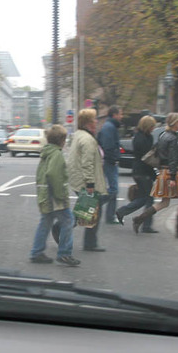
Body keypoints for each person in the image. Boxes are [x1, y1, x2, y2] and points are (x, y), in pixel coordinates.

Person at [131, 113, 178, 238]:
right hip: (170, 173)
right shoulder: (173, 138)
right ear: (175, 123)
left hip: (163, 172)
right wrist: (173, 177)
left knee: (165, 202)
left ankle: (139, 219)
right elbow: (173, 159)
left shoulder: (163, 135)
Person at [29, 125, 80, 266]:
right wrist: (61, 195)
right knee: (68, 221)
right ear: (61, 140)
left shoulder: (46, 152)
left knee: (45, 223)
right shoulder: (57, 154)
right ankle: (64, 254)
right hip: (55, 198)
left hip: (45, 195)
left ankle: (36, 252)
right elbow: (53, 174)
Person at [67, 108, 108, 252]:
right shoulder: (88, 139)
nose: (96, 122)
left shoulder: (79, 135)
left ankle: (63, 228)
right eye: (94, 119)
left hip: (78, 178)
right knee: (93, 210)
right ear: (88, 123)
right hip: (86, 180)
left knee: (87, 209)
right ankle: (89, 243)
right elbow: (87, 163)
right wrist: (90, 183)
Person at [115, 115, 158, 233]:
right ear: (148, 126)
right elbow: (147, 158)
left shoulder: (138, 136)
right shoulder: (145, 138)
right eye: (152, 126)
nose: (154, 128)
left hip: (138, 170)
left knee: (143, 198)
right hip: (144, 172)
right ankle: (146, 225)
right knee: (149, 199)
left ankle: (123, 211)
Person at [97, 106, 123, 225]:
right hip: (109, 162)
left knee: (114, 189)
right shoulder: (109, 127)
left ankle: (110, 216)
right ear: (114, 115)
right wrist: (113, 159)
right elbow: (108, 146)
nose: (121, 116)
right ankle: (97, 203)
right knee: (113, 189)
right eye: (120, 114)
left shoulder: (110, 127)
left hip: (109, 161)